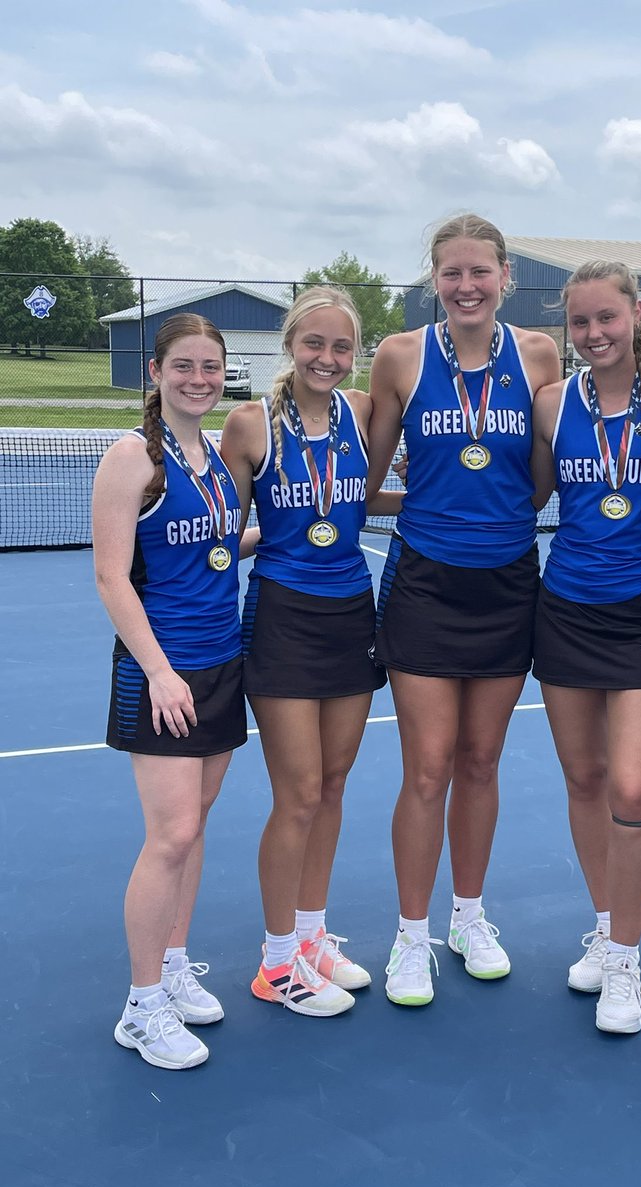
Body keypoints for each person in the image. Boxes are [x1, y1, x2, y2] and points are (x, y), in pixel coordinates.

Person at [366, 213, 560, 1005]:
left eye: (481, 272)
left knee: (481, 763)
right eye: (452, 273)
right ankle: (411, 937)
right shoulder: (400, 356)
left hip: (509, 584)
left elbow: (545, 477)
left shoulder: (540, 355)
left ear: (505, 277)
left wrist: (495, 517)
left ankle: (468, 917)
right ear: (433, 280)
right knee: (428, 767)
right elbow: (365, 477)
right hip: (425, 586)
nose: (467, 285)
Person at [530, 260, 641, 1034]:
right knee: (584, 779)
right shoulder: (550, 405)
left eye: (608, 318)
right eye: (580, 322)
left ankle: (627, 961)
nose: (595, 334)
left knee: (634, 794)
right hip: (565, 611)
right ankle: (605, 930)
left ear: (635, 315)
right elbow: (526, 494)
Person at [220, 285, 400, 1018]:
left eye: (340, 347)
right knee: (296, 796)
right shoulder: (249, 425)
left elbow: (359, 498)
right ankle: (274, 964)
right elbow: (226, 531)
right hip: (284, 620)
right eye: (313, 343)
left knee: (331, 787)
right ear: (291, 345)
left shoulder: (361, 415)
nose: (327, 357)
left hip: (352, 614)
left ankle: (310, 936)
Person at [93, 313, 247, 1070]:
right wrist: (158, 671)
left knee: (198, 821)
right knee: (172, 835)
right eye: (183, 366)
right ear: (155, 373)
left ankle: (175, 965)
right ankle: (142, 1004)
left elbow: (218, 542)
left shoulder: (211, 456)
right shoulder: (132, 457)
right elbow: (111, 576)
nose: (198, 379)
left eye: (210, 368)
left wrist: (289, 524)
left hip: (223, 662)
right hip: (164, 672)